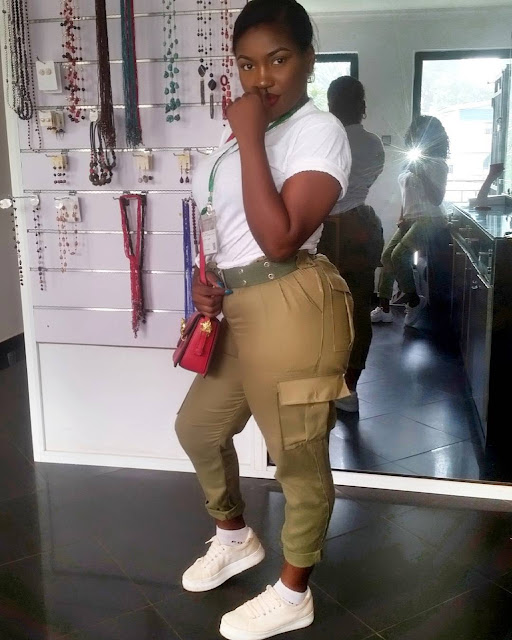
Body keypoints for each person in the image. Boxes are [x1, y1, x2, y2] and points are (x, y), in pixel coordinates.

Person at [175, 1, 353, 639]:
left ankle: (294, 591)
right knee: (198, 428)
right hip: (236, 305)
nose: (261, 78)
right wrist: (210, 281)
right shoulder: (242, 137)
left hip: (292, 303)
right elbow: (229, 227)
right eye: (247, 64)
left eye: (277, 59)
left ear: (308, 58)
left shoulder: (317, 130)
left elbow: (279, 240)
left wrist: (250, 135)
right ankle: (235, 538)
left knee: (297, 457)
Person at [318, 76, 385, 413]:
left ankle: (320, 382)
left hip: (324, 232)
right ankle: (350, 388)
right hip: (361, 227)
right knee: (358, 311)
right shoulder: (374, 144)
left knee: (320, 310)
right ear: (362, 105)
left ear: (331, 105)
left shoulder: (323, 139)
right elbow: (366, 180)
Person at [371, 115, 449, 327]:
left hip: (430, 220)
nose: (416, 139)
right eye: (415, 135)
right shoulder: (411, 161)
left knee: (399, 255)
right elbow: (406, 193)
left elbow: (437, 198)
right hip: (410, 218)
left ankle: (414, 301)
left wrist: (421, 172)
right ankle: (384, 309)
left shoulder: (438, 164)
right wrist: (401, 216)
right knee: (386, 256)